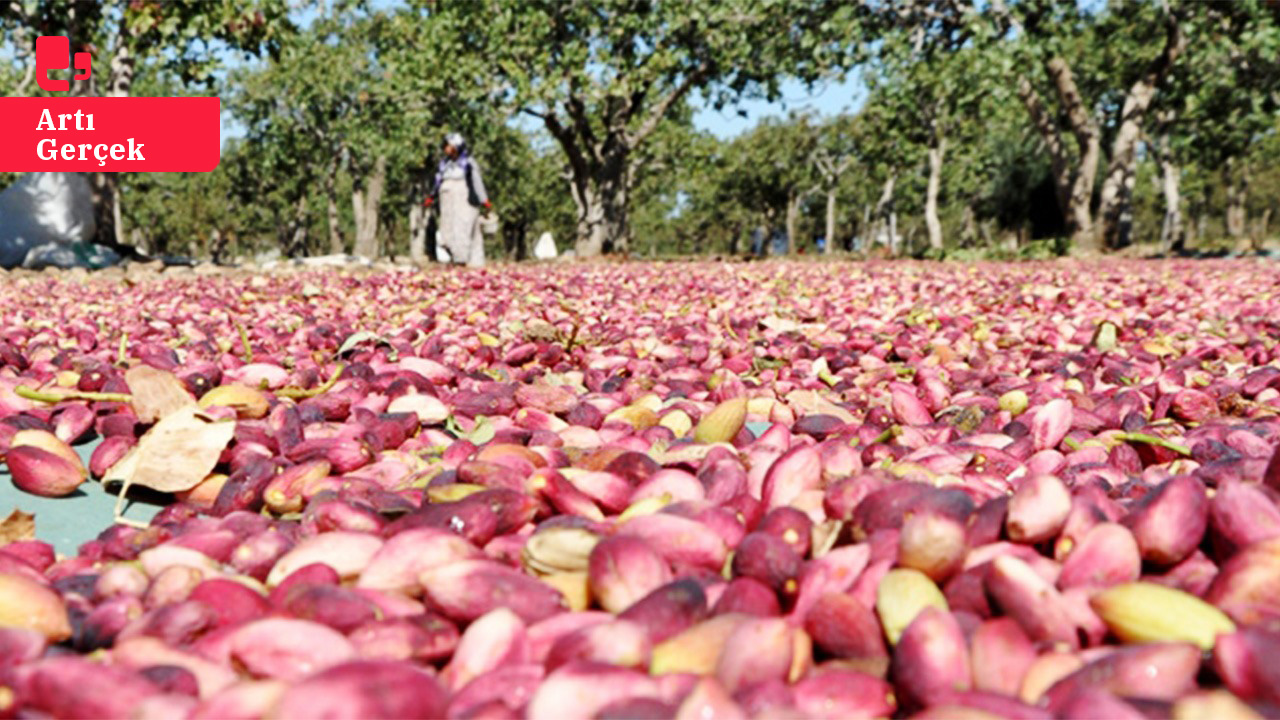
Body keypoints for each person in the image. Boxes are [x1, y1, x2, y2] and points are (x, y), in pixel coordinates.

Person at [423, 133, 491, 267]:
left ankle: (462, 260)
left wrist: (484, 200)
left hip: (463, 197)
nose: (446, 149)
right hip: (447, 198)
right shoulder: (444, 164)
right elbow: (437, 181)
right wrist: (431, 196)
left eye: (449, 146)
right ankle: (456, 256)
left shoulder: (468, 163)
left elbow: (476, 181)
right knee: (447, 229)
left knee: (463, 227)